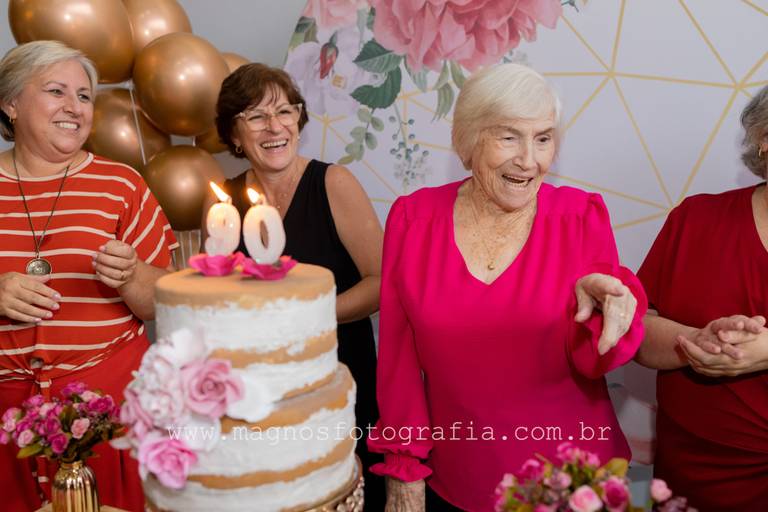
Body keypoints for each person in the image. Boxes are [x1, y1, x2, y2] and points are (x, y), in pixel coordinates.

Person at [368, 63, 648, 512]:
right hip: (458, 481)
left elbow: (594, 360)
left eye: (543, 138)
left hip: (571, 482)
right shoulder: (413, 220)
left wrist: (608, 311)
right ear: (469, 140)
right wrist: (404, 468)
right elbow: (398, 363)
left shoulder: (580, 217)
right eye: (509, 137)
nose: (529, 160)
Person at [0, 41, 177, 511]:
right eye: (56, 91)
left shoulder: (122, 184)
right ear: (11, 103)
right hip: (4, 421)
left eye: (83, 96)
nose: (74, 107)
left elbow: (161, 303)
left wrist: (131, 275)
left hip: (107, 413)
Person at [205, 63, 385, 508]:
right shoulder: (222, 200)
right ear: (234, 134)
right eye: (256, 116)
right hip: (260, 390)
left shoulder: (334, 183)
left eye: (285, 111)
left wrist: (312, 313)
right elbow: (218, 296)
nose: (275, 127)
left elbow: (382, 282)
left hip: (336, 378)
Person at [635, 85, 768, 511]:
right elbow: (637, 331)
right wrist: (696, 341)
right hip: (693, 474)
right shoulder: (696, 219)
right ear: (764, 139)